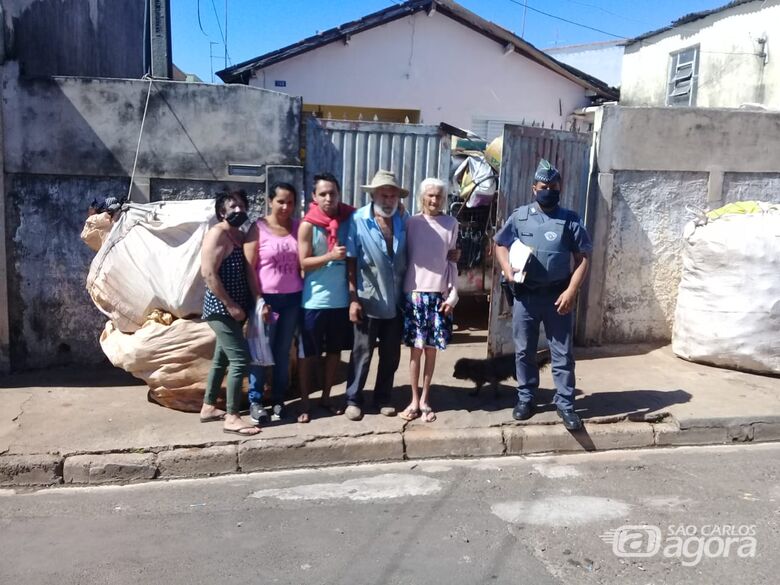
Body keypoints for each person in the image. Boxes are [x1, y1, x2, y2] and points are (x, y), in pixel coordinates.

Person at [494, 159, 592, 431]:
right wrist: (507, 270)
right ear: (533, 188)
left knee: (562, 353)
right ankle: (526, 398)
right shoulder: (520, 216)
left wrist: (572, 290)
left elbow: (583, 258)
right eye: (543, 186)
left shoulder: (570, 220)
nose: (548, 189)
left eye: (553, 185)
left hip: (558, 296)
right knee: (524, 350)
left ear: (559, 188)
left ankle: (566, 404)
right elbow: (500, 244)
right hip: (526, 296)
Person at [343, 170, 409, 421]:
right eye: (384, 194)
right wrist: (352, 299)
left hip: (395, 300)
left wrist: (449, 255)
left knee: (391, 354)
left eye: (393, 195)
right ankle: (353, 398)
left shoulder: (403, 218)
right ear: (373, 195)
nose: (389, 199)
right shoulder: (358, 220)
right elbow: (350, 261)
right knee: (362, 352)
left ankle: (383, 397)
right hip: (367, 299)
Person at [199, 190, 261, 436]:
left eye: (242, 206)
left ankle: (208, 406)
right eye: (232, 206)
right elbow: (208, 274)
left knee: (222, 358)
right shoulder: (217, 235)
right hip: (221, 310)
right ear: (221, 212)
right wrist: (231, 305)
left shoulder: (239, 235)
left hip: (236, 309)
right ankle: (233, 416)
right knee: (240, 360)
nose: (238, 210)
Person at [297, 173, 355, 424]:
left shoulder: (347, 219)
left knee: (334, 353)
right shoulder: (308, 225)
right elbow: (304, 264)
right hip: (313, 302)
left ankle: (327, 398)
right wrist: (330, 256)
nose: (328, 198)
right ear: (314, 197)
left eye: (332, 193)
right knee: (308, 355)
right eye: (323, 194)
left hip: (340, 301)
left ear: (339, 194)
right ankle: (305, 402)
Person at [399, 178, 459, 423]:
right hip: (414, 294)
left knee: (432, 351)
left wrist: (453, 295)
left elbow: (452, 261)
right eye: (430, 196)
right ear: (422, 197)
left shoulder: (451, 223)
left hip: (439, 296)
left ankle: (425, 399)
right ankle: (413, 399)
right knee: (416, 350)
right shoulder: (410, 223)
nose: (434, 200)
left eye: (439, 196)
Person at [244, 182, 303, 424]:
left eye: (290, 202)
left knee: (281, 351)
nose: (286, 206)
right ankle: (256, 402)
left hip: (292, 300)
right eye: (281, 201)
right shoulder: (258, 228)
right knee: (259, 352)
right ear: (270, 201)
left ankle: (279, 398)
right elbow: (249, 267)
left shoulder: (299, 227)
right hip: (266, 299)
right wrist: (258, 300)